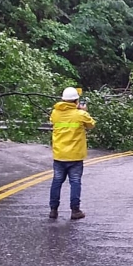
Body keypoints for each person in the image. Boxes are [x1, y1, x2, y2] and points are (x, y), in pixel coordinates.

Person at [49, 87, 96, 220]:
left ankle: (53, 210)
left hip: (59, 155)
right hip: (75, 156)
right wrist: (83, 111)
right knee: (75, 182)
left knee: (57, 182)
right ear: (76, 100)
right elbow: (91, 125)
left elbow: (53, 121)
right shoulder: (80, 114)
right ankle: (75, 211)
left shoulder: (55, 113)